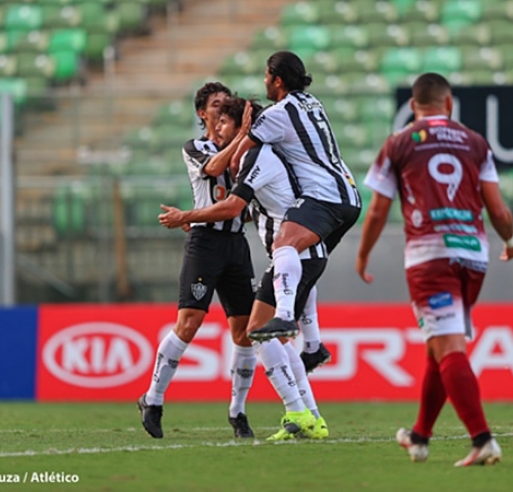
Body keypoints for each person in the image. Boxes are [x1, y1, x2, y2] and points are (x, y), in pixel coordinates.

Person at [355, 73, 513, 466]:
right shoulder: (475, 142)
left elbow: (378, 210)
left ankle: (482, 438)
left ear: (413, 107)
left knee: (447, 346)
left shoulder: (398, 143)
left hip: (430, 255)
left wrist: (363, 255)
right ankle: (420, 436)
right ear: (449, 104)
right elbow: (497, 210)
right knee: (440, 347)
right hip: (473, 255)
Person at [160, 96, 329, 440]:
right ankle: (312, 414)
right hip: (296, 254)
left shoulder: (254, 156)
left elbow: (232, 207)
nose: (217, 128)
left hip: (293, 254)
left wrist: (187, 216)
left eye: (224, 122)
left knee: (259, 331)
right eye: (215, 120)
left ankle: (299, 410)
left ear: (243, 127)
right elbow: (251, 208)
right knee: (273, 336)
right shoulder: (250, 157)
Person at [137, 82, 257, 440]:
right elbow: (213, 168)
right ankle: (153, 399)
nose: (223, 110)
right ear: (202, 114)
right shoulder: (197, 147)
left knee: (245, 332)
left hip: (236, 244)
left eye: (227, 104)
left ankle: (238, 413)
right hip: (205, 244)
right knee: (189, 323)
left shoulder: (245, 147)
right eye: (216, 105)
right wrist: (244, 136)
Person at [229, 51, 362, 364]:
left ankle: (286, 316)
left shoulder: (276, 113)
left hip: (324, 195)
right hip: (350, 195)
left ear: (277, 79)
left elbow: (238, 158)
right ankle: (313, 345)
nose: (264, 82)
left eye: (266, 75)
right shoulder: (313, 102)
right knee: (301, 258)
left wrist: (239, 177)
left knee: (284, 243)